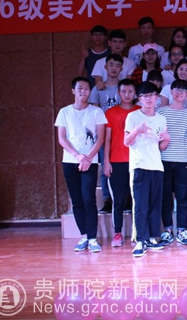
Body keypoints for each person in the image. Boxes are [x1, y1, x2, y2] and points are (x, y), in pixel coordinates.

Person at [55, 77, 107, 253]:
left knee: (88, 199)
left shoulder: (96, 112)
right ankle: (84, 236)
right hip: (70, 161)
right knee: (76, 200)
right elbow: (62, 138)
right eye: (80, 88)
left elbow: (100, 138)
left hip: (90, 161)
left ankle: (93, 238)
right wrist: (77, 156)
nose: (83, 91)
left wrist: (88, 158)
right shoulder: (64, 112)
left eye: (86, 88)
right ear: (73, 91)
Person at [124, 82, 170, 257]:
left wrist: (166, 139)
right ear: (140, 99)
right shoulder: (133, 117)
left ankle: (152, 237)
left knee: (154, 204)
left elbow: (161, 146)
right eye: (145, 96)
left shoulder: (161, 119)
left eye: (152, 95)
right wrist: (137, 130)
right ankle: (140, 240)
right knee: (140, 204)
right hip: (139, 165)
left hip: (156, 166)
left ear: (157, 97)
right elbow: (126, 142)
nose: (149, 99)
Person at [157, 80, 187, 246]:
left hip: (182, 161)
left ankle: (181, 230)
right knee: (165, 197)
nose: (179, 93)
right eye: (176, 90)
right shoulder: (161, 112)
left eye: (183, 91)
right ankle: (168, 230)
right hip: (164, 160)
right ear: (171, 91)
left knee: (182, 198)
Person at [103, 79, 140, 248]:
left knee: (136, 200)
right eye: (124, 91)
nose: (127, 94)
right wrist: (106, 162)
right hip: (116, 162)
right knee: (118, 200)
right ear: (118, 93)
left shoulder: (140, 111)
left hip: (137, 161)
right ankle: (117, 233)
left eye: (130, 91)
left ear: (135, 93)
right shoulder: (111, 112)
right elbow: (107, 139)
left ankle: (138, 233)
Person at [89, 54, 124, 213]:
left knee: (124, 166)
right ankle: (107, 199)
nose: (114, 68)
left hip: (122, 132)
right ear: (105, 67)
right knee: (105, 165)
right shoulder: (98, 88)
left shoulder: (124, 87)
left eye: (117, 65)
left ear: (121, 68)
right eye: (111, 65)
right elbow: (94, 112)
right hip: (104, 132)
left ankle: (125, 198)